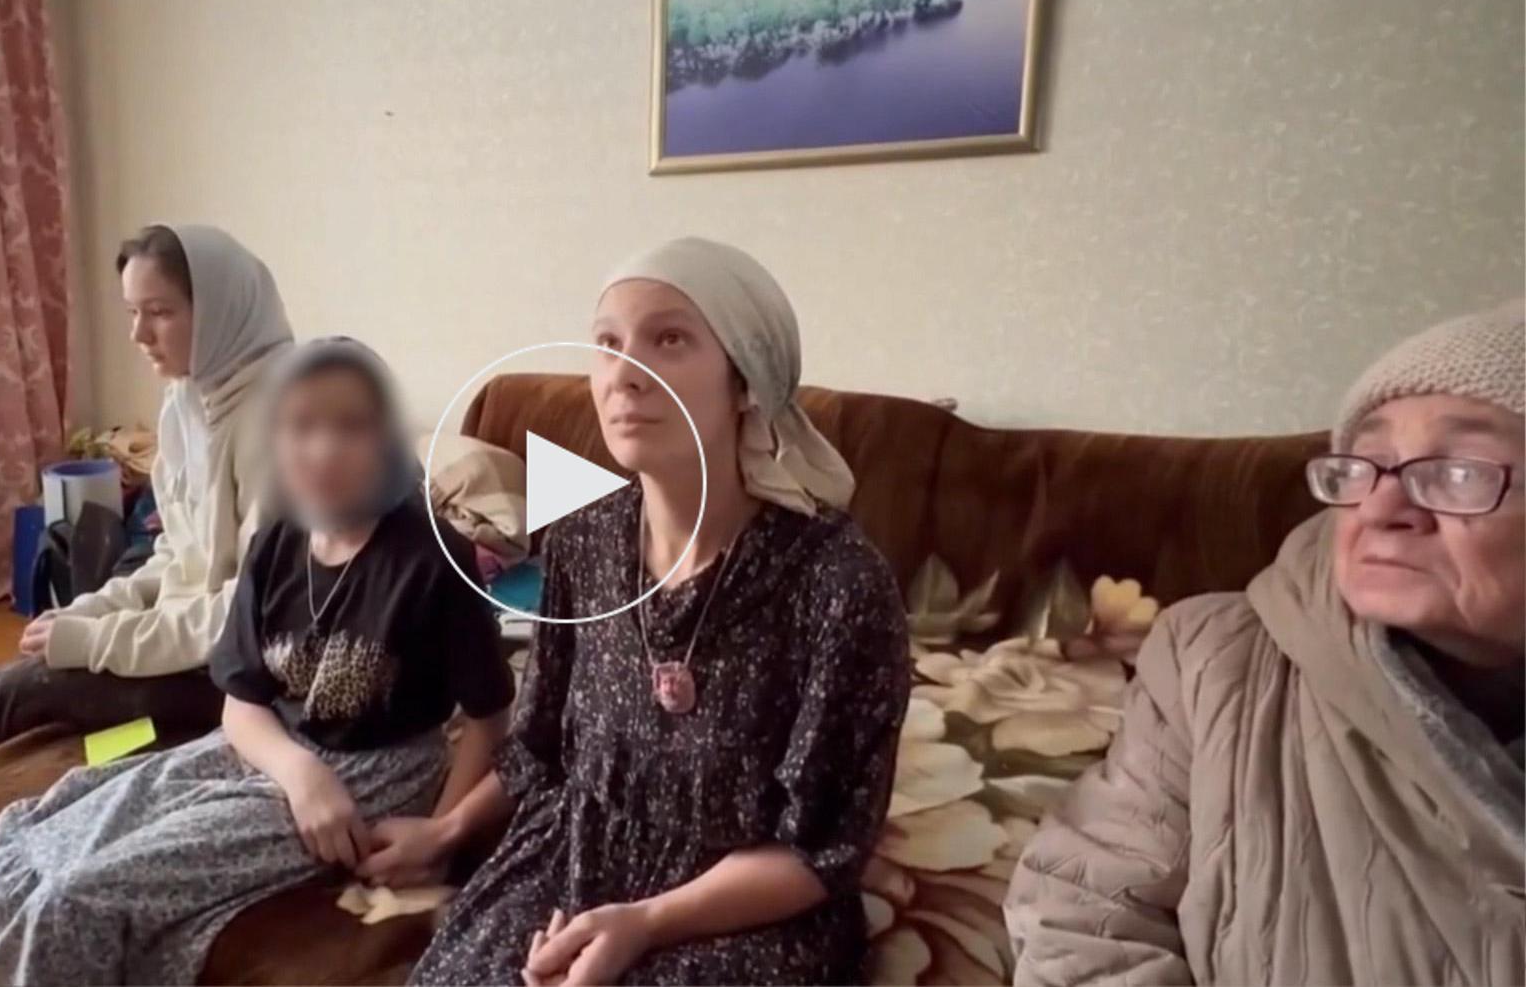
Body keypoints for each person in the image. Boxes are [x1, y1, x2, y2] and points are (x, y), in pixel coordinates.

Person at [394, 238, 911, 985]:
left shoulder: (838, 584)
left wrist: (644, 923)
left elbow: (819, 848)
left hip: (744, 904)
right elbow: (540, 747)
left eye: (669, 339)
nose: (625, 374)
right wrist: (446, 831)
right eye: (607, 344)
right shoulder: (582, 540)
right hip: (571, 859)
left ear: (745, 380)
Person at [0, 338, 515, 984]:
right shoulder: (275, 533)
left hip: (373, 772)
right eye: (302, 426)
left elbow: (491, 716)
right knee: (26, 836)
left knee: (75, 896)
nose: (323, 449)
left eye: (351, 427)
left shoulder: (431, 556)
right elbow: (241, 695)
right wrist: (299, 772)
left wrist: (438, 834)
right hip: (264, 746)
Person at [1005, 305, 1525, 986]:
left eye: (1458, 472)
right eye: (1367, 464)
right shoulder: (1213, 660)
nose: (1379, 508)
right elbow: (1081, 914)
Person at [0, 224, 290, 777]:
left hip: (231, 678)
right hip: (176, 642)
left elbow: (244, 616)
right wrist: (90, 610)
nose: (139, 334)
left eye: (159, 312)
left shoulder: (280, 422)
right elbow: (175, 556)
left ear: (218, 310)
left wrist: (95, 641)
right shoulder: (189, 398)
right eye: (132, 312)